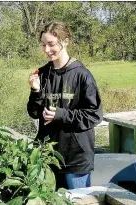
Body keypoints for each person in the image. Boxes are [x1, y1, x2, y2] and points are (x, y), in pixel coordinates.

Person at [27, 21, 103, 190]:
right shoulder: (42, 74)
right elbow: (33, 112)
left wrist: (61, 115)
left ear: (65, 41)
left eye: (51, 44)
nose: (46, 50)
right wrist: (35, 92)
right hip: (47, 156)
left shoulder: (83, 75)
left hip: (75, 159)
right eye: (43, 45)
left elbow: (94, 115)